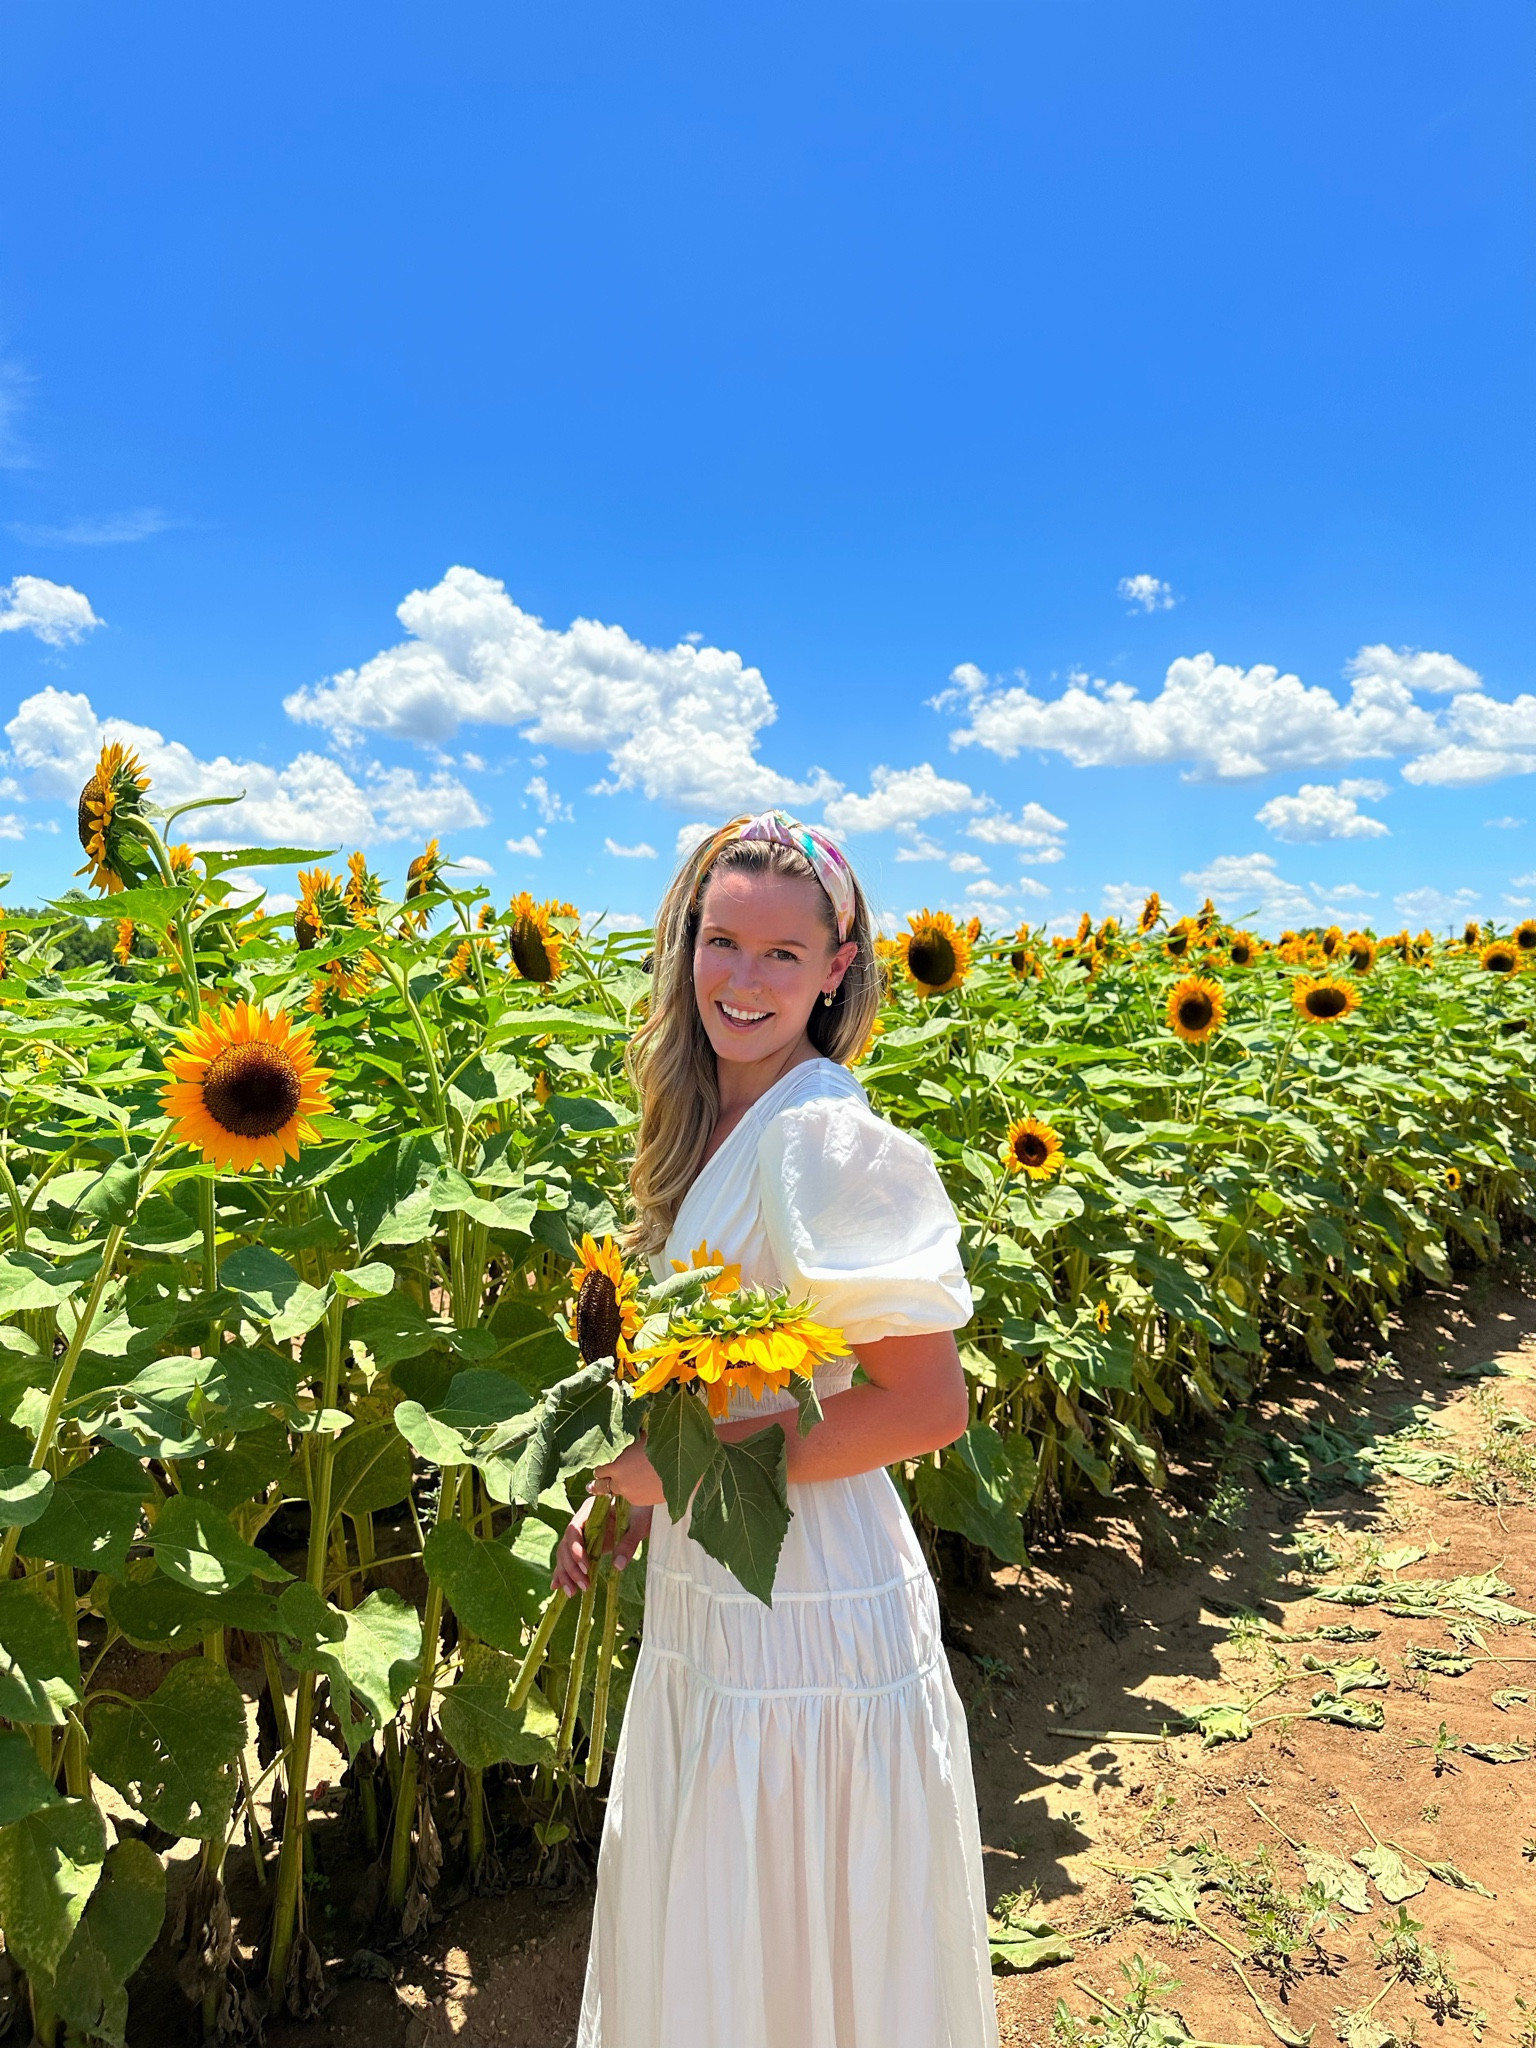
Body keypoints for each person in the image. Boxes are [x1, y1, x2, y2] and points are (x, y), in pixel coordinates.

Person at [557, 809, 1000, 2048]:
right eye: (721, 940)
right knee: (731, 1912)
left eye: (782, 954)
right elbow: (707, 1382)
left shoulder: (821, 1136)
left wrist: (679, 1476)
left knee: (787, 1920)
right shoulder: (713, 1116)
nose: (742, 979)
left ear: (836, 970)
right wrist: (633, 1491)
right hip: (726, 1584)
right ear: (686, 942)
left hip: (811, 1606)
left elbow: (926, 1402)